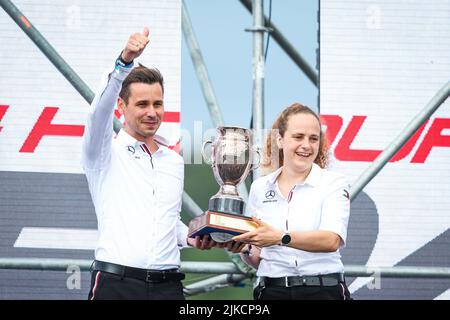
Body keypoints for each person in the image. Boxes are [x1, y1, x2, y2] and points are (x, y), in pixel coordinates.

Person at [82, 28, 240, 300]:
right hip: (117, 283)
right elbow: (99, 112)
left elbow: (168, 223)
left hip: (168, 286)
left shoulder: (173, 160)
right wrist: (123, 63)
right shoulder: (103, 150)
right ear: (122, 106)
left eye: (158, 104)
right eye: (142, 104)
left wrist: (193, 235)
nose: (152, 112)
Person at [233, 103, 352, 300]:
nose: (306, 145)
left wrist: (281, 237)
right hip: (272, 290)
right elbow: (258, 258)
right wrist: (244, 248)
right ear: (279, 140)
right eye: (298, 137)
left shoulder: (334, 183)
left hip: (322, 290)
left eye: (313, 139)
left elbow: (331, 240)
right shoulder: (259, 187)